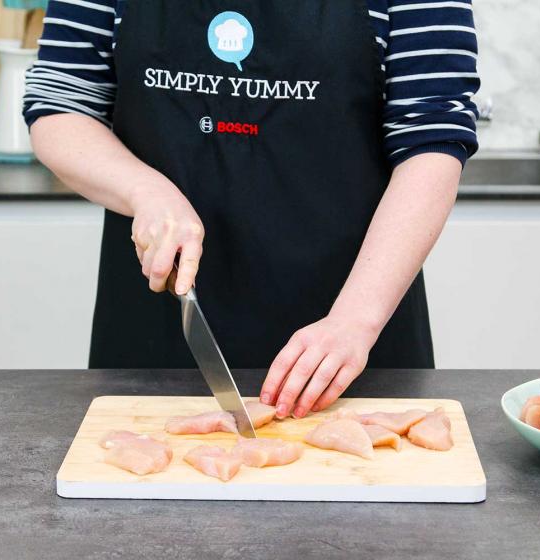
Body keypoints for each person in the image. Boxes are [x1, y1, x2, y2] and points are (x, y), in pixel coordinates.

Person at [24, 0, 480, 419]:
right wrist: (146, 191)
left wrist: (354, 321)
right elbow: (61, 106)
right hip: (161, 325)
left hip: (350, 331)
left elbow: (433, 140)